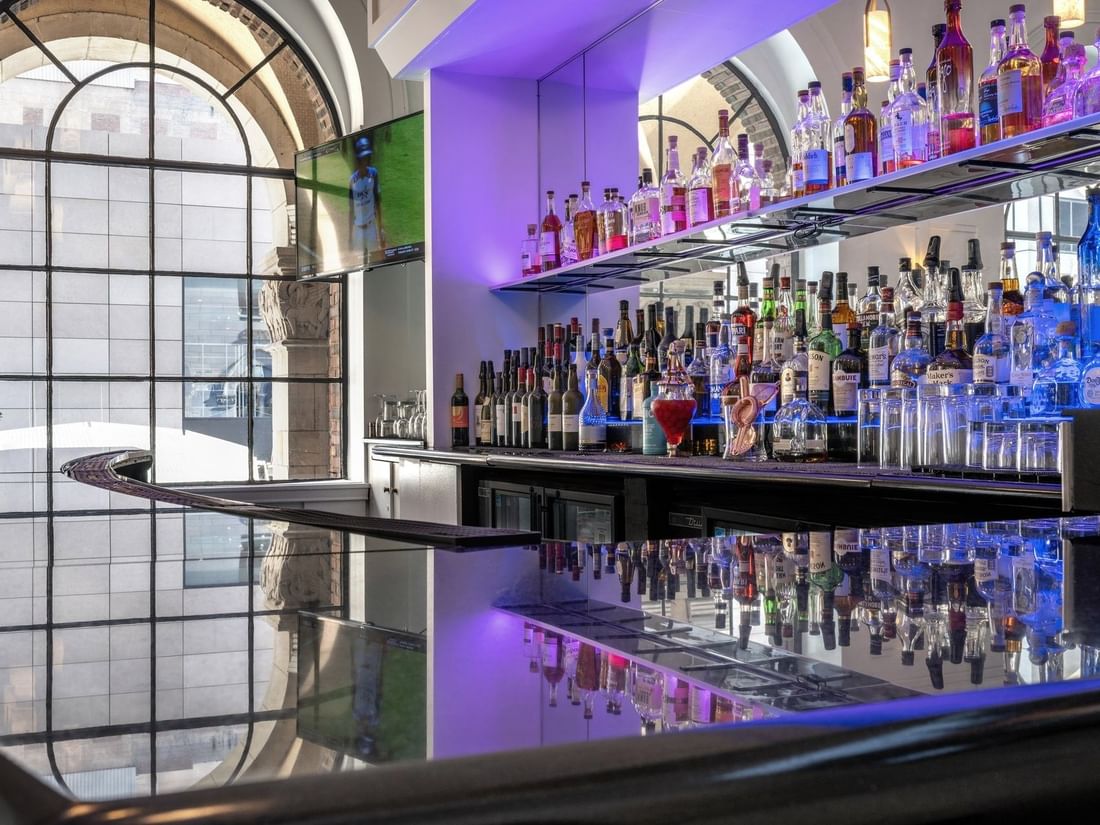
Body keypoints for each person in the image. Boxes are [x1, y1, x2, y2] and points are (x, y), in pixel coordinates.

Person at [348, 135, 385, 263]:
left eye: (367, 158)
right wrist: (350, 236)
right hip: (358, 230)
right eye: (363, 158)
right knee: (357, 263)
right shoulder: (352, 180)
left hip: (371, 228)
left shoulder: (373, 174)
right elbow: (351, 209)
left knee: (375, 261)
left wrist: (381, 230)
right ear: (359, 159)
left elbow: (378, 202)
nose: (366, 161)